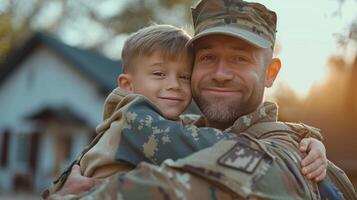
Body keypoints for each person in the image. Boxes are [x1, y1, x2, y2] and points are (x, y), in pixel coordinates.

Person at [47, 0, 357, 199]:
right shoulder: (171, 125)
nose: (221, 73)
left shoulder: (288, 154)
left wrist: (302, 135)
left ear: (270, 72)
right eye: (207, 57)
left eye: (240, 58)